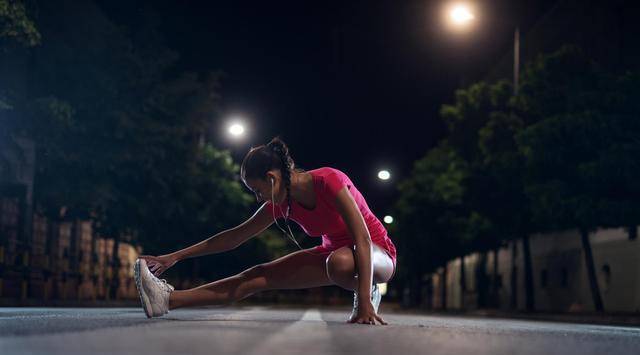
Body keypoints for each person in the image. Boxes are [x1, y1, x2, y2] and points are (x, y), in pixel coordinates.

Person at [134, 137, 397, 325]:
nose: (259, 199)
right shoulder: (281, 203)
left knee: (339, 262)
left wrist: (363, 301)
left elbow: (362, 239)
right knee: (257, 276)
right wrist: (175, 257)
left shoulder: (329, 181)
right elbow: (233, 237)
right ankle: (168, 300)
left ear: (272, 178)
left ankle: (368, 291)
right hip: (333, 256)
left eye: (258, 190)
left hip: (377, 253)